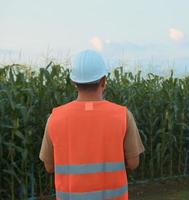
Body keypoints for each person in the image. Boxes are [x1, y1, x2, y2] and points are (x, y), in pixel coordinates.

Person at [39, 50, 144, 200]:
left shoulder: (55, 118)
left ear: (74, 83)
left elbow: (49, 167)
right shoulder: (123, 115)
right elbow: (133, 163)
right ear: (104, 80)